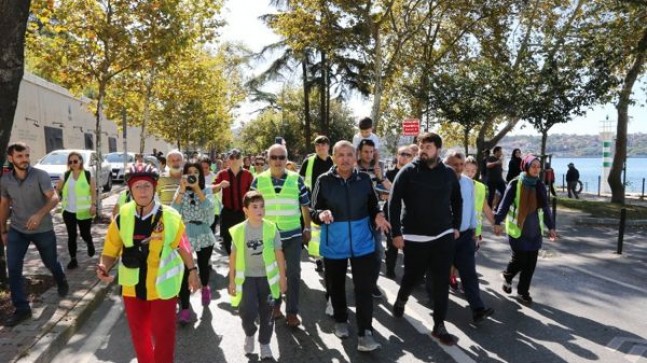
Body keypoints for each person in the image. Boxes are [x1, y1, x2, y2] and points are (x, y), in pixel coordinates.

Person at [96, 163, 200, 363]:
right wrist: (104, 265)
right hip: (132, 288)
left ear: (154, 188)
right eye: (138, 186)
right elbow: (110, 250)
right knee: (139, 335)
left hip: (163, 287)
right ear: (131, 190)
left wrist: (192, 270)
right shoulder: (122, 217)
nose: (142, 191)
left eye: (147, 186)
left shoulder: (171, 216)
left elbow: (183, 245)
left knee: (163, 335)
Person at [311, 140, 390, 352]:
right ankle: (340, 320)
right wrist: (321, 214)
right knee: (336, 287)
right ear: (334, 158)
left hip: (362, 243)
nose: (345, 159)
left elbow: (374, 206)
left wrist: (379, 215)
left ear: (355, 157)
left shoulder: (364, 179)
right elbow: (313, 210)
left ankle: (366, 333)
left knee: (363, 289)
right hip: (334, 243)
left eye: (349, 155)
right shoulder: (323, 180)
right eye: (340, 155)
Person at [389, 132, 462, 346]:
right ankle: (402, 298)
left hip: (443, 236)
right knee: (412, 276)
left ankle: (439, 325)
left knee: (440, 282)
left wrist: (456, 226)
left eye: (428, 146)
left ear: (438, 149)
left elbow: (457, 200)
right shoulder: (408, 172)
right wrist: (396, 233)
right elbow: (394, 203)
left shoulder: (448, 173)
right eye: (421, 146)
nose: (423, 150)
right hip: (414, 236)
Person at [0, 142, 69, 327]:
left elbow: (54, 197)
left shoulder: (40, 175)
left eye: (26, 156)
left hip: (43, 229)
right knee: (13, 269)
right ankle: (22, 309)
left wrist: (39, 214)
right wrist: (3, 230)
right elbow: (5, 205)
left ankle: (60, 278)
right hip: (17, 230)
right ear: (11, 158)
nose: (24, 160)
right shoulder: (6, 180)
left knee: (50, 262)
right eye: (20, 156)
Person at [251, 144, 312, 327]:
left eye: (282, 157)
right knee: (273, 273)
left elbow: (305, 206)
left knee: (293, 273)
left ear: (287, 159)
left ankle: (292, 312)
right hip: (268, 236)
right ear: (268, 159)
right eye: (274, 157)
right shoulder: (258, 181)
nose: (278, 161)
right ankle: (275, 306)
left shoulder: (297, 179)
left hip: (292, 235)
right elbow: (251, 208)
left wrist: (307, 228)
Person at [228, 191, 287, 361]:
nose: (259, 210)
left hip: (267, 279)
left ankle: (265, 343)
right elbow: (233, 256)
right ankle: (250, 333)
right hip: (247, 279)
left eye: (262, 206)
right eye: (254, 207)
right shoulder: (239, 231)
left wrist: (282, 277)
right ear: (245, 210)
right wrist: (231, 280)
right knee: (247, 312)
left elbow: (278, 253)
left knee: (268, 312)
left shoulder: (270, 227)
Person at [494, 155, 557, 306]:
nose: (536, 169)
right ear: (526, 167)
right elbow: (504, 204)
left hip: (534, 231)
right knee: (520, 260)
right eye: (533, 166)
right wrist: (497, 221)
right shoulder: (515, 183)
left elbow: (545, 208)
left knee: (530, 264)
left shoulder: (539, 185)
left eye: (538, 166)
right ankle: (508, 276)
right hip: (518, 230)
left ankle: (523, 292)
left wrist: (551, 226)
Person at [443, 151, 495, 323]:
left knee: (469, 273)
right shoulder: (439, 180)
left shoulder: (468, 184)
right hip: (443, 236)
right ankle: (434, 301)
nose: (458, 168)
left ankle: (478, 309)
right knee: (440, 272)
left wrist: (474, 229)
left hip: (465, 236)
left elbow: (474, 208)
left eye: (461, 164)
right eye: (454, 164)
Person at [172, 161, 217, 323]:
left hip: (204, 232)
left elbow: (210, 210)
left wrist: (197, 188)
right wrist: (183, 190)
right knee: (184, 271)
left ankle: (205, 287)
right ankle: (185, 308)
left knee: (204, 266)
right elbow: (174, 212)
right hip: (185, 234)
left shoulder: (207, 190)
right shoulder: (181, 191)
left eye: (195, 172)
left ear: (200, 174)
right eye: (189, 172)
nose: (192, 175)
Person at [55, 151, 97, 269]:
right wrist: (57, 195)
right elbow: (58, 189)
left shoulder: (88, 175)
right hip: (68, 211)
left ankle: (89, 243)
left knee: (84, 234)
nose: (73, 164)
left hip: (84, 211)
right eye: (70, 162)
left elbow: (93, 191)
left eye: (75, 161)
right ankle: (73, 259)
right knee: (71, 236)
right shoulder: (66, 175)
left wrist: (93, 205)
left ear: (80, 161)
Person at [299, 135, 334, 272]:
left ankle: (329, 255)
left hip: (330, 202)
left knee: (330, 230)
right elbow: (300, 180)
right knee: (315, 232)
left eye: (323, 144)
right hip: (312, 201)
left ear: (328, 147)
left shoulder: (334, 161)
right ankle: (318, 259)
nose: (321, 147)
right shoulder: (309, 161)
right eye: (318, 145)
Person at [213, 149, 254, 255]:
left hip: (243, 213)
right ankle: (233, 259)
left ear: (242, 160)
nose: (234, 160)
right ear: (228, 160)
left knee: (243, 240)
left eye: (237, 157)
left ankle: (240, 262)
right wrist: (219, 185)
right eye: (232, 157)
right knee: (227, 240)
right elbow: (212, 189)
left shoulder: (248, 174)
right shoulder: (222, 174)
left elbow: (254, 193)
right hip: (227, 212)